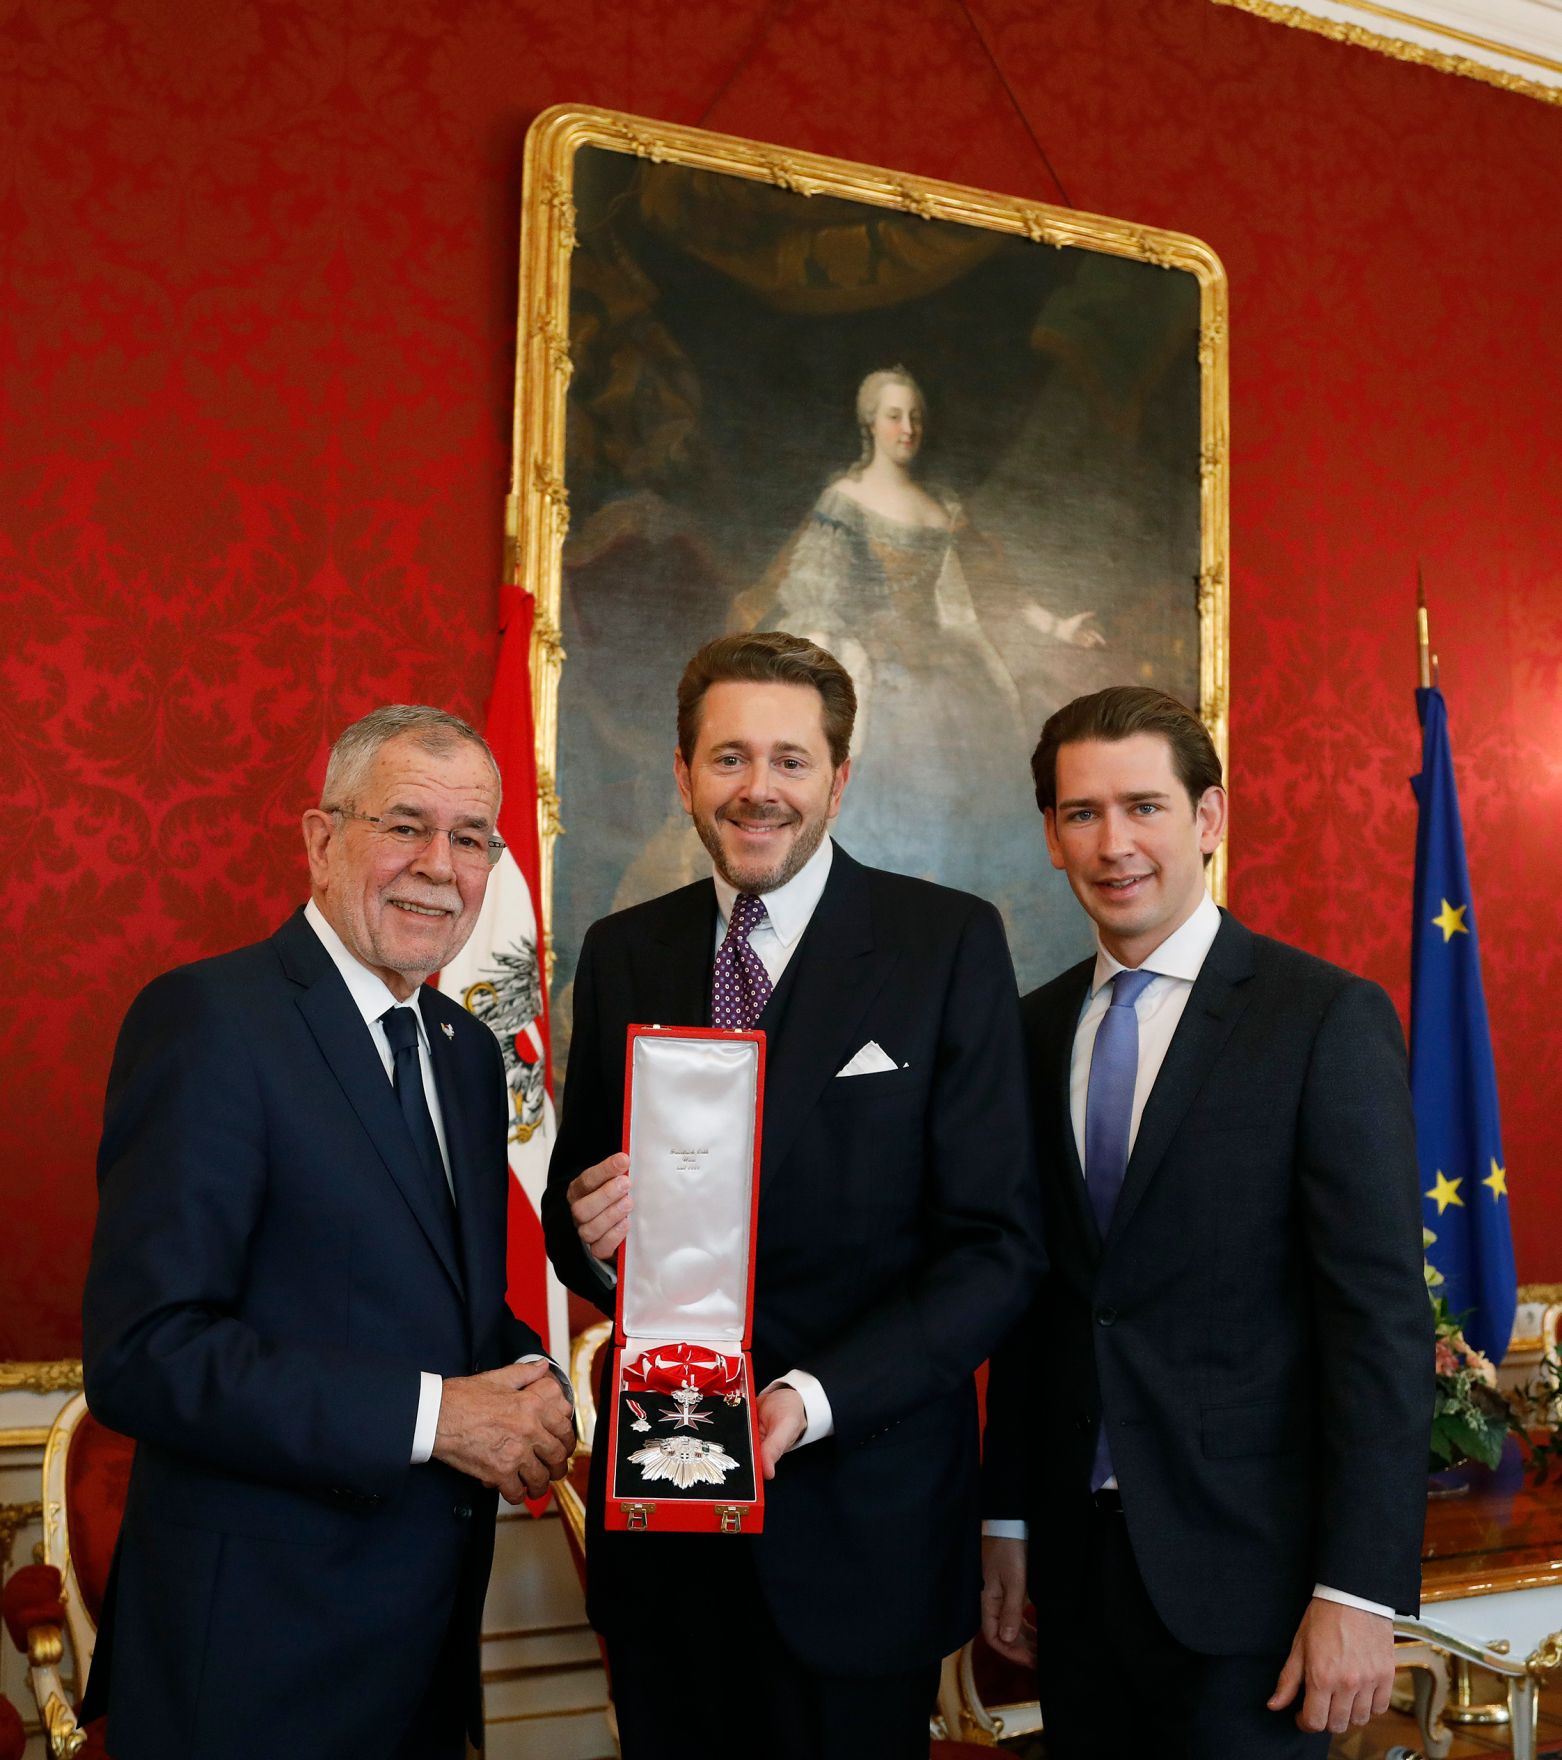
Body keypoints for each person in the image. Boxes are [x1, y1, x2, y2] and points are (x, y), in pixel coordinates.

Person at [543, 631, 1043, 1760]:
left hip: (857, 1520)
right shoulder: (623, 948)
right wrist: (587, 1235)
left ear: (837, 777)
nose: (755, 788)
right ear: (682, 774)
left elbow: (995, 1247)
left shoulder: (944, 942)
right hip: (666, 1522)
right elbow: (578, 1215)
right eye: (726, 758)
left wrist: (808, 1399)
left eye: (787, 759)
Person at [81, 705, 574, 1760]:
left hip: (427, 1641)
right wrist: (440, 1415)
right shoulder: (210, 1020)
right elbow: (146, 1352)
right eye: (404, 824)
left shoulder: (463, 1050)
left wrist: (529, 1374)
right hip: (254, 1656)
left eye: (471, 836)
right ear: (319, 837)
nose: (438, 866)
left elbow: (442, 1295)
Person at [980, 685, 1432, 1757]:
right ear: (1049, 836)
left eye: (1143, 805)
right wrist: (1005, 1521)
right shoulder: (1028, 1029)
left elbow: (1376, 1321)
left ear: (1208, 818)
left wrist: (1357, 1588)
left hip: (1257, 1592)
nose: (1113, 842)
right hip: (1076, 1588)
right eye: (1081, 813)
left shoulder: (1321, 1017)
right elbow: (1034, 1302)